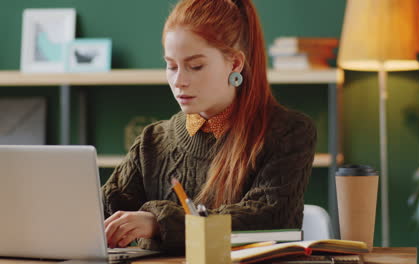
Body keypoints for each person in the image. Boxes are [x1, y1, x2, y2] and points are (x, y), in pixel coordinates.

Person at [102, 0, 317, 253]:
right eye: (171, 66)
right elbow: (108, 208)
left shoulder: (289, 133)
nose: (179, 81)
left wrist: (160, 222)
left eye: (195, 66)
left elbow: (266, 217)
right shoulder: (152, 140)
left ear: (235, 64)